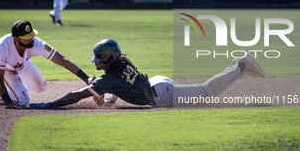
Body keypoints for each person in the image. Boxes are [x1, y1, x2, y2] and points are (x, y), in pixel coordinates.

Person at [29, 39, 265, 109]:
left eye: (99, 61)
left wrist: (48, 105)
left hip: (162, 94)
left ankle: (241, 66)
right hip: (157, 83)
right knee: (200, 93)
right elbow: (119, 86)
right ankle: (238, 65)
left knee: (206, 92)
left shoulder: (107, 78)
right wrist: (110, 98)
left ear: (109, 59)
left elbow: (75, 96)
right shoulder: (122, 61)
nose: (96, 64)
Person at [0, 20, 93, 109]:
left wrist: (86, 78)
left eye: (31, 35)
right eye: (26, 38)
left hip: (23, 63)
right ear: (16, 39)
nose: (31, 39)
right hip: (5, 69)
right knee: (22, 101)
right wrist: (8, 103)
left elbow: (62, 60)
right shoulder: (2, 47)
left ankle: (15, 88)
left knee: (41, 86)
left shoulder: (36, 43)